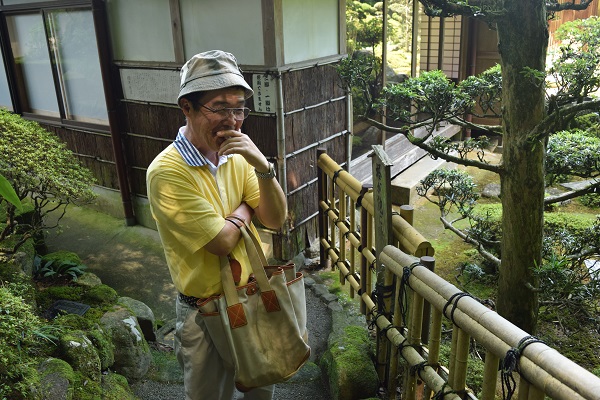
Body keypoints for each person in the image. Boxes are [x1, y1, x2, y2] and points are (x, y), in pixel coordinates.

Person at [146, 50, 287, 400]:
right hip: (204, 312)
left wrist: (262, 166)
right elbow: (221, 242)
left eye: (238, 108)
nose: (233, 119)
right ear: (187, 107)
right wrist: (245, 210)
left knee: (261, 386)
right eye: (220, 107)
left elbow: (275, 218)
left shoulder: (238, 156)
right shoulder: (167, 173)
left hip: (251, 296)